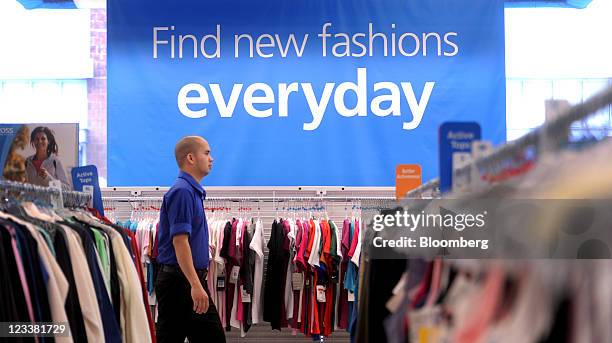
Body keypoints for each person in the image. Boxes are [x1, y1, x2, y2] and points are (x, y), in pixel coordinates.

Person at [155, 136, 225, 343]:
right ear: (191, 158)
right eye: (207, 153)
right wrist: (195, 284)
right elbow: (179, 242)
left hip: (183, 281)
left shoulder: (190, 191)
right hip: (181, 283)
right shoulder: (183, 192)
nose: (211, 158)